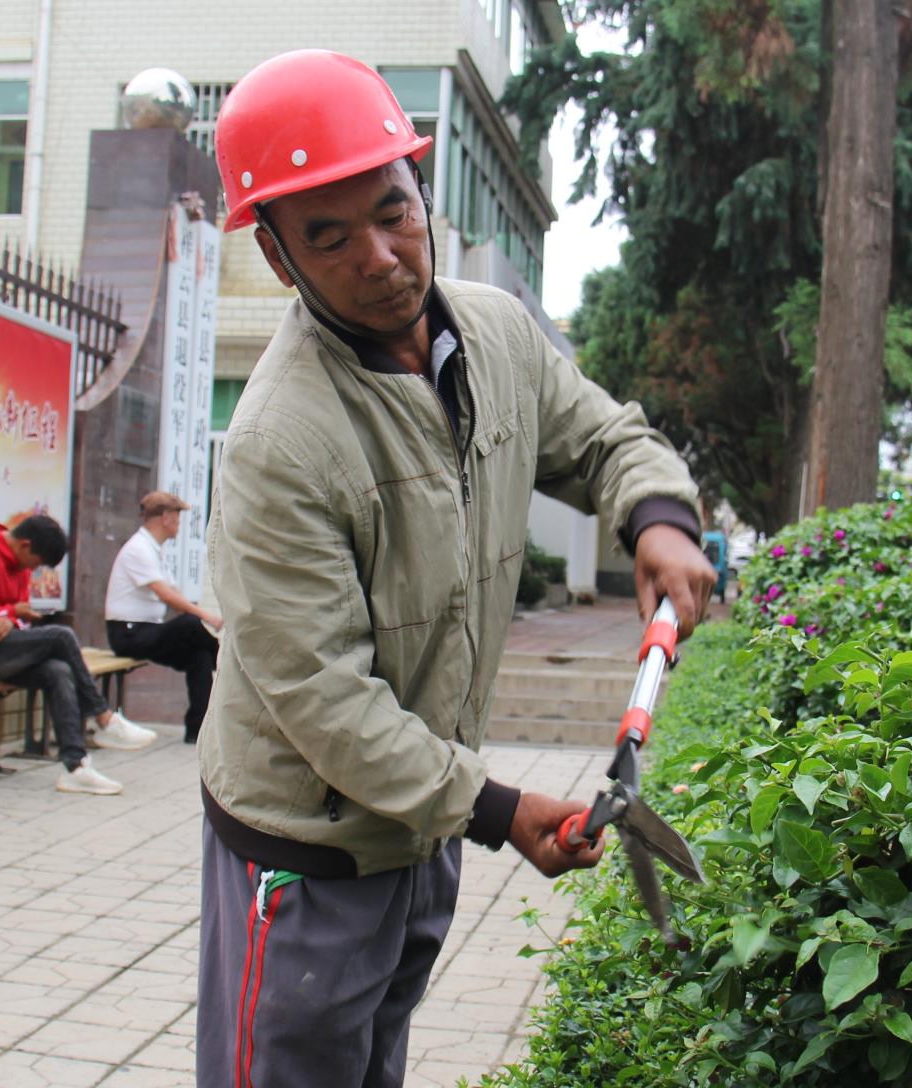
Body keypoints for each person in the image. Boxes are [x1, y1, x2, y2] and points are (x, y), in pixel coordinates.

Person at [196, 50, 717, 1088]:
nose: (380, 256)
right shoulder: (280, 438)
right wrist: (495, 807)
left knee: (373, 1056)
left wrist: (656, 516)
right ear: (277, 254)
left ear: (421, 189)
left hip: (423, 819)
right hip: (305, 847)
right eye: (329, 236)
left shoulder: (492, 331)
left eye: (392, 210)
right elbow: (320, 696)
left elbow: (604, 436)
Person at [0, 514, 154, 797]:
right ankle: (102, 716)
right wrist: (9, 614)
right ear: (25, 545)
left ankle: (76, 767)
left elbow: (22, 620)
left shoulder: (20, 565)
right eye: (36, 563)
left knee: (58, 671)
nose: (33, 570)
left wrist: (10, 619)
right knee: (61, 636)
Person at [103, 491, 222, 744]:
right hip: (128, 633)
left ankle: (197, 732)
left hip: (146, 631)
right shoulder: (139, 548)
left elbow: (174, 593)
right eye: (178, 518)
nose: (179, 524)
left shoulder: (154, 549)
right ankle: (223, 658)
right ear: (166, 517)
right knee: (191, 625)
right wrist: (207, 617)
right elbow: (166, 596)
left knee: (197, 656)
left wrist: (199, 612)